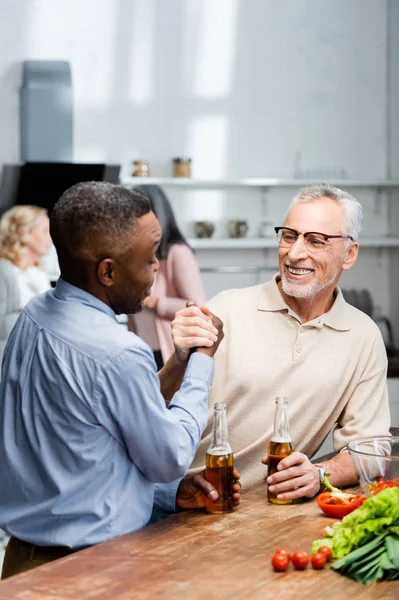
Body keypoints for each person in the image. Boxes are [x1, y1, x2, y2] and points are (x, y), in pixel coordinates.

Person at [0, 182, 240, 579]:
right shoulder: (117, 351)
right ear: (108, 271)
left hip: (23, 562)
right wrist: (201, 360)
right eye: (150, 258)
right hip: (89, 571)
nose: (158, 268)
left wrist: (178, 360)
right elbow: (171, 456)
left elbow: (92, 441)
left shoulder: (34, 314)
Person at [174, 183, 390, 499]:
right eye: (289, 236)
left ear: (349, 254)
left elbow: (371, 449)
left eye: (316, 240)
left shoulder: (363, 336)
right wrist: (179, 357)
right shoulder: (225, 310)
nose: (294, 252)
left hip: (265, 513)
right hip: (184, 502)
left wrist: (319, 474)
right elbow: (157, 415)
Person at [128, 185, 206, 369]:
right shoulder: (138, 252)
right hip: (140, 350)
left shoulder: (177, 252)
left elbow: (198, 306)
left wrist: (154, 303)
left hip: (168, 353)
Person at [0, 205, 52, 367]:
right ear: (25, 234)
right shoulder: (5, 271)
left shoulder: (38, 272)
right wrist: (34, 315)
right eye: (45, 231)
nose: (51, 238)